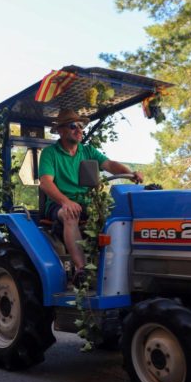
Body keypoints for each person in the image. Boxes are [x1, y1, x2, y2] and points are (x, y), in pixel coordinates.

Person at [38, 108, 143, 285]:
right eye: (73, 126)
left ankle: (119, 266)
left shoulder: (87, 151)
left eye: (81, 126)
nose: (79, 130)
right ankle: (82, 271)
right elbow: (46, 182)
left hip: (86, 203)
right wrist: (66, 202)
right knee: (71, 214)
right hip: (59, 204)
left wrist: (131, 173)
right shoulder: (50, 153)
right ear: (62, 131)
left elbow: (109, 164)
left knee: (118, 214)